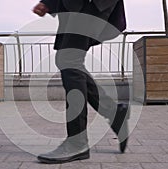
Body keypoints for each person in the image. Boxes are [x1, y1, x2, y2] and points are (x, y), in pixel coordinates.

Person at [33, 0, 129, 164]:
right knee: (67, 60)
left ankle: (77, 142)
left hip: (90, 5)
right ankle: (113, 113)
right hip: (75, 6)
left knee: (69, 60)